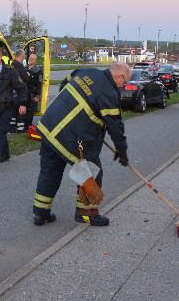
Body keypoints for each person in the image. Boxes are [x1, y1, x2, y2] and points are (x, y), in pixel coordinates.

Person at [32, 63, 130, 227]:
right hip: (72, 139)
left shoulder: (86, 72)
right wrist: (122, 151)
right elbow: (116, 127)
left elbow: (65, 84)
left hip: (49, 128)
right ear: (119, 76)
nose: (123, 86)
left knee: (50, 172)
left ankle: (41, 213)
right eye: (125, 82)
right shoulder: (109, 93)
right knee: (92, 173)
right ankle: (86, 214)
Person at [10, 49, 30, 133]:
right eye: (24, 55)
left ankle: (11, 129)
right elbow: (26, 78)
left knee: (13, 113)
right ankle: (20, 130)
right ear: (22, 56)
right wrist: (27, 74)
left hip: (11, 94)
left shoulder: (11, 65)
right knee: (21, 113)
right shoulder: (20, 66)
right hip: (19, 94)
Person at [24, 52, 43, 128]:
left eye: (33, 59)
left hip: (32, 94)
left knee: (30, 110)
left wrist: (38, 96)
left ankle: (28, 126)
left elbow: (39, 83)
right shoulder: (24, 68)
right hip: (24, 93)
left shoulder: (38, 71)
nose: (31, 60)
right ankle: (23, 125)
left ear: (35, 61)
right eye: (30, 58)